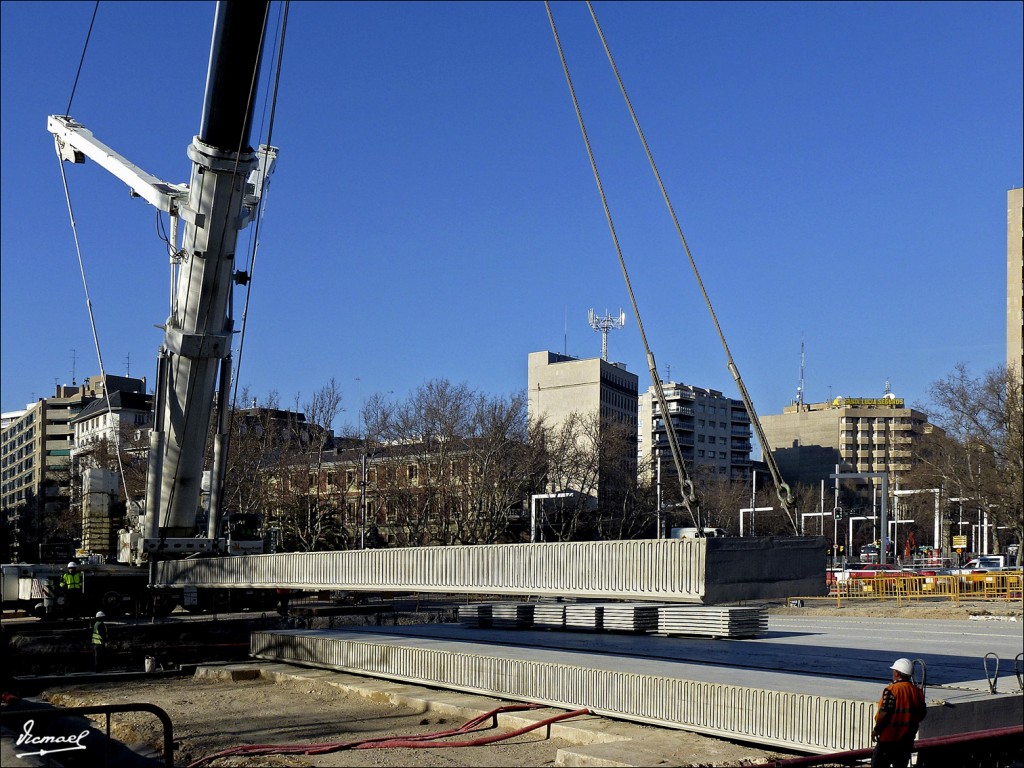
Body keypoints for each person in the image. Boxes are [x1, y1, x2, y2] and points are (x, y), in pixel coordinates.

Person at [872, 657, 927, 768]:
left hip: (888, 739)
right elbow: (922, 714)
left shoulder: (892, 690)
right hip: (906, 741)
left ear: (897, 673)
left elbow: (885, 713)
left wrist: (876, 730)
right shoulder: (917, 691)